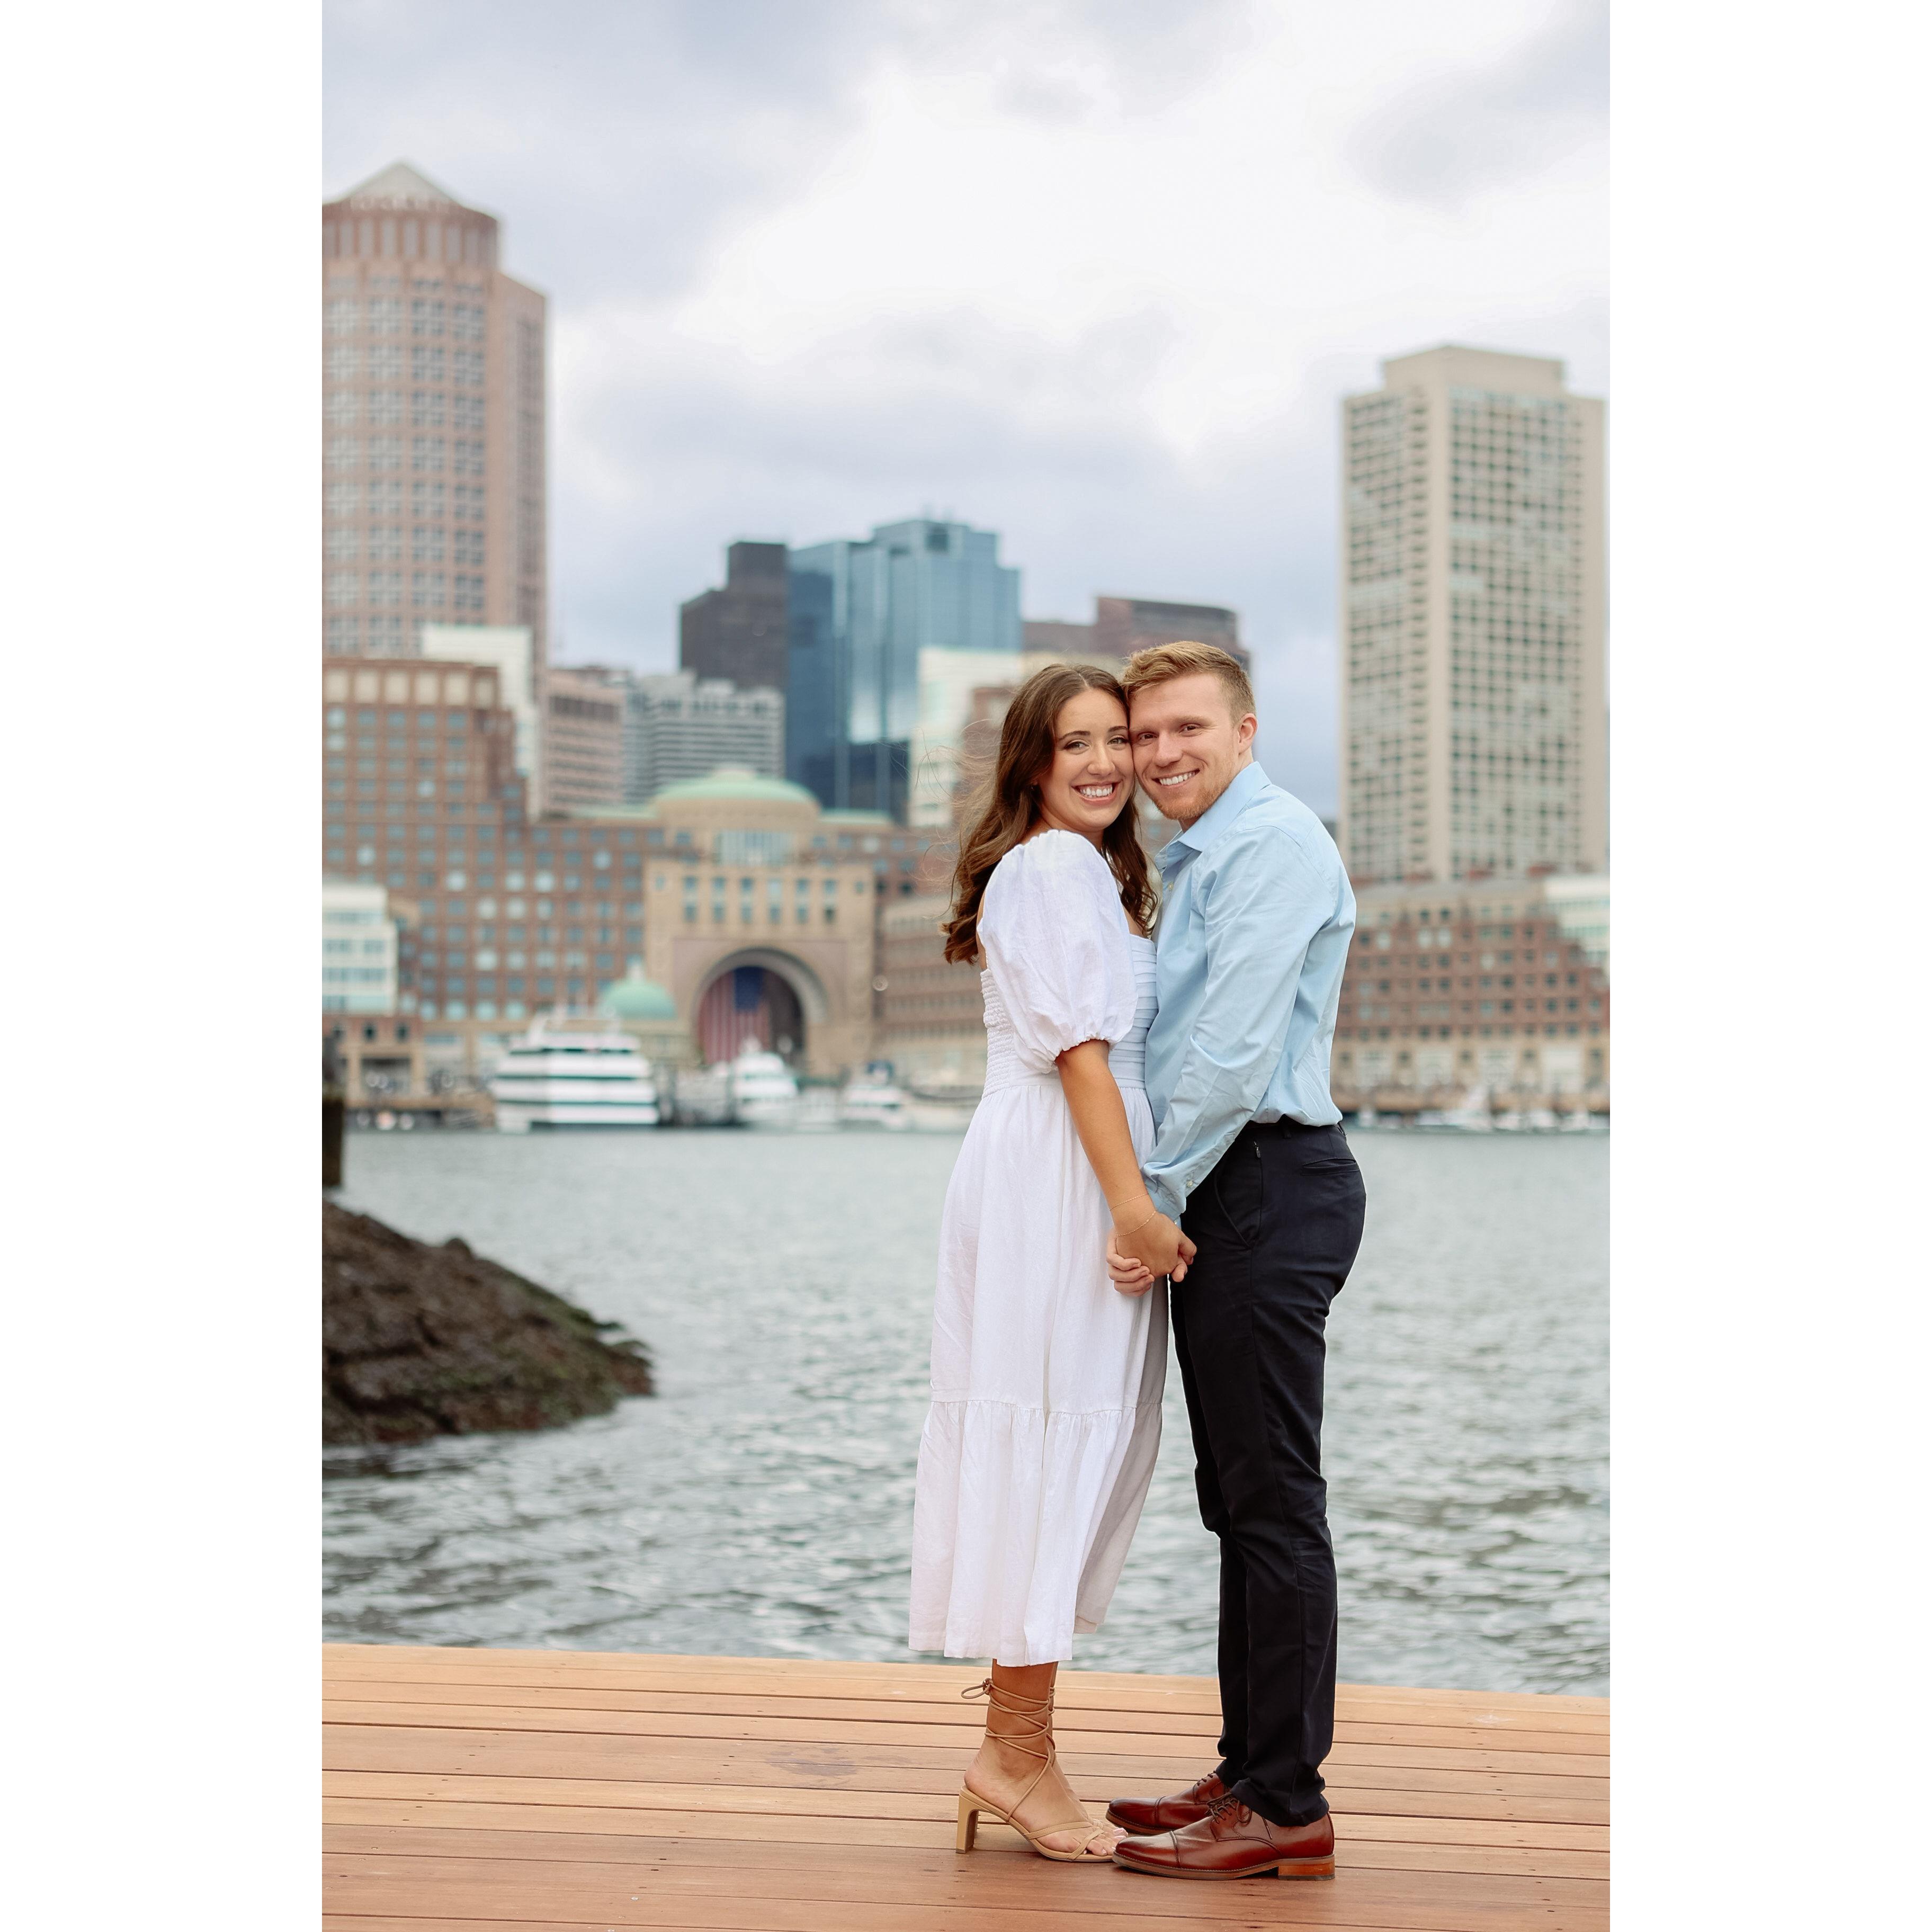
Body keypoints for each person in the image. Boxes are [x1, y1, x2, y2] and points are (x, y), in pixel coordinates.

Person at [909, 661, 1194, 1864]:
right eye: (1076, 743)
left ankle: (1016, 1747)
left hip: (1068, 1162)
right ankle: (1015, 1756)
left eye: (1117, 741)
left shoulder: (1088, 872)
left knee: (1063, 1439)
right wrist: (1131, 1209)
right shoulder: (1053, 867)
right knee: (1048, 1437)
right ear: (1032, 760)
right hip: (1064, 1175)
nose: (1106, 764)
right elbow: (1081, 1051)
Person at [1102, 642, 1367, 1883]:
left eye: (1187, 729)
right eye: (1145, 734)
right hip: (1235, 1185)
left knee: (1274, 1504)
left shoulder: (1270, 847)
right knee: (1240, 1501)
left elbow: (1231, 1051)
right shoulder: (1204, 856)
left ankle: (1287, 1806)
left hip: (1264, 1184)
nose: (1162, 754)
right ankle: (1249, 1768)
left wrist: (1146, 1202)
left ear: (1246, 732)